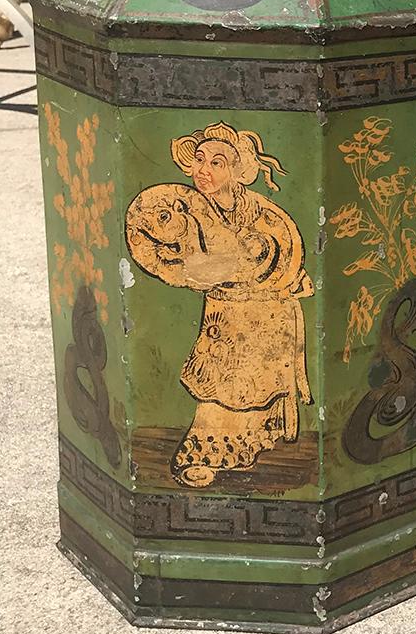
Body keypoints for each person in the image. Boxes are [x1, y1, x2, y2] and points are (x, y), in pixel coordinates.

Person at [125, 123, 313, 489]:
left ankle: (252, 441)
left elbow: (284, 249)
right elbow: (181, 262)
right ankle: (202, 451)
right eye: (199, 160)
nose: (204, 170)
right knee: (219, 376)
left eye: (217, 162)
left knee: (256, 376)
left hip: (267, 307)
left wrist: (264, 263)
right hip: (225, 309)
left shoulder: (259, 209)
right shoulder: (189, 210)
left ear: (237, 169)